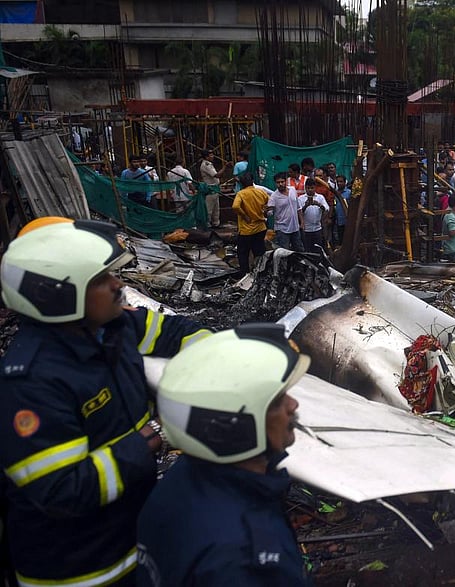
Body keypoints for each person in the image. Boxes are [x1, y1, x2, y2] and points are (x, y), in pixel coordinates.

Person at [0, 218, 210, 586]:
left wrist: (211, 365)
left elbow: (180, 331)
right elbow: (62, 490)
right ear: (58, 295)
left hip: (132, 543)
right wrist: (156, 434)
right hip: (77, 571)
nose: (119, 286)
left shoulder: (112, 329)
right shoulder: (30, 383)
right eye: (101, 280)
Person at [137, 324, 314, 586]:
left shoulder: (183, 480)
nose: (293, 405)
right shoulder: (245, 560)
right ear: (235, 428)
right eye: (277, 401)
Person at [232, 172, 270, 276]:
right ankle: (261, 273)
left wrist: (244, 215)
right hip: (261, 228)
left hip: (246, 230)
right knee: (259, 252)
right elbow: (269, 203)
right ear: (252, 181)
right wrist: (264, 211)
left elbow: (235, 206)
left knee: (243, 253)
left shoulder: (241, 194)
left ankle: (245, 273)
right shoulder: (260, 192)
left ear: (241, 184)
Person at [267, 172, 303, 252]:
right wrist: (269, 210)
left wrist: (302, 222)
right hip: (282, 229)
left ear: (286, 181)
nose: (280, 184)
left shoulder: (293, 190)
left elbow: (298, 207)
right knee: (284, 252)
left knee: (299, 250)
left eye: (282, 182)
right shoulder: (274, 197)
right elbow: (270, 211)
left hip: (295, 227)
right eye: (278, 182)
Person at [299, 178, 330, 253]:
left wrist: (318, 204)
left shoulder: (320, 197)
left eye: (312, 188)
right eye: (308, 188)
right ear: (305, 188)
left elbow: (326, 209)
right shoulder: (301, 198)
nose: (310, 190)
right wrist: (306, 206)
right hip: (306, 230)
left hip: (317, 229)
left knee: (318, 249)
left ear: (315, 187)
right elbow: (299, 213)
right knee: (307, 250)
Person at [200, 149, 230, 227]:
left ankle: (216, 223)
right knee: (209, 208)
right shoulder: (206, 165)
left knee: (216, 208)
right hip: (211, 188)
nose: (213, 156)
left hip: (215, 188)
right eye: (211, 155)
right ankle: (208, 224)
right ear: (206, 157)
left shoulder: (209, 164)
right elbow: (216, 175)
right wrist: (225, 167)